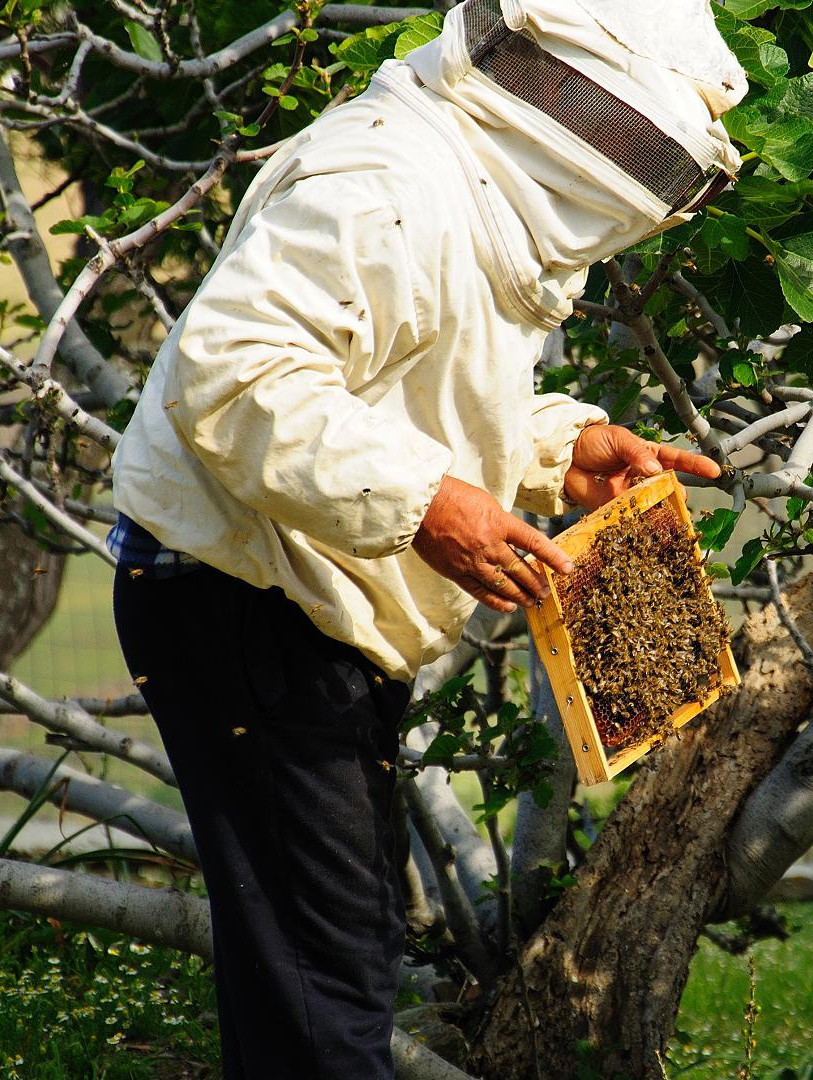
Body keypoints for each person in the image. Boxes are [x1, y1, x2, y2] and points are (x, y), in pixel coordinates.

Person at [107, 0, 746, 1075]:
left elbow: (413, 397)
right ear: (547, 75)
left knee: (328, 967)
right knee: (327, 981)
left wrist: (562, 449)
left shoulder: (468, 191)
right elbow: (237, 374)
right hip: (245, 596)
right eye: (627, 126)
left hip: (296, 598)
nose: (631, 160)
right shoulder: (383, 188)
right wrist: (425, 505)